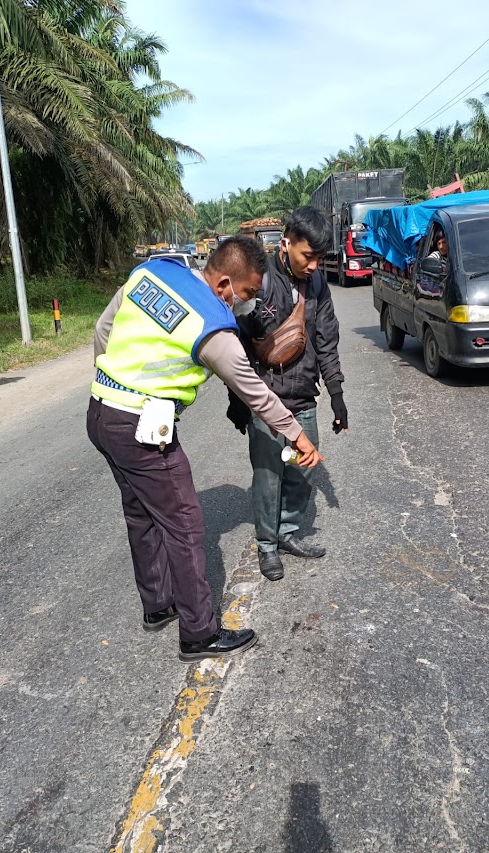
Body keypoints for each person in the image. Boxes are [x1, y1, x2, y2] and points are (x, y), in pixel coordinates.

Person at [87, 237, 323, 663]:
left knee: (140, 513)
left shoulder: (153, 273)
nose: (247, 303)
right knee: (186, 524)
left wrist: (119, 383)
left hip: (101, 412)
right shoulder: (213, 324)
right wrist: (297, 435)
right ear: (225, 283)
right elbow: (256, 393)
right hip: (141, 428)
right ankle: (199, 632)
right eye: (248, 294)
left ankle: (158, 605)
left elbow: (104, 330)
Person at [226, 206, 347, 582]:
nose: (313, 265)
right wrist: (237, 401)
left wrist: (337, 393)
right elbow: (234, 343)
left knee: (302, 473)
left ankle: (287, 532)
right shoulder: (258, 281)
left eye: (320, 258)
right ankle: (266, 546)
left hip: (302, 396)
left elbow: (326, 339)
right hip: (265, 400)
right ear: (286, 243)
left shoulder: (318, 285)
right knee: (268, 476)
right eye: (307, 256)